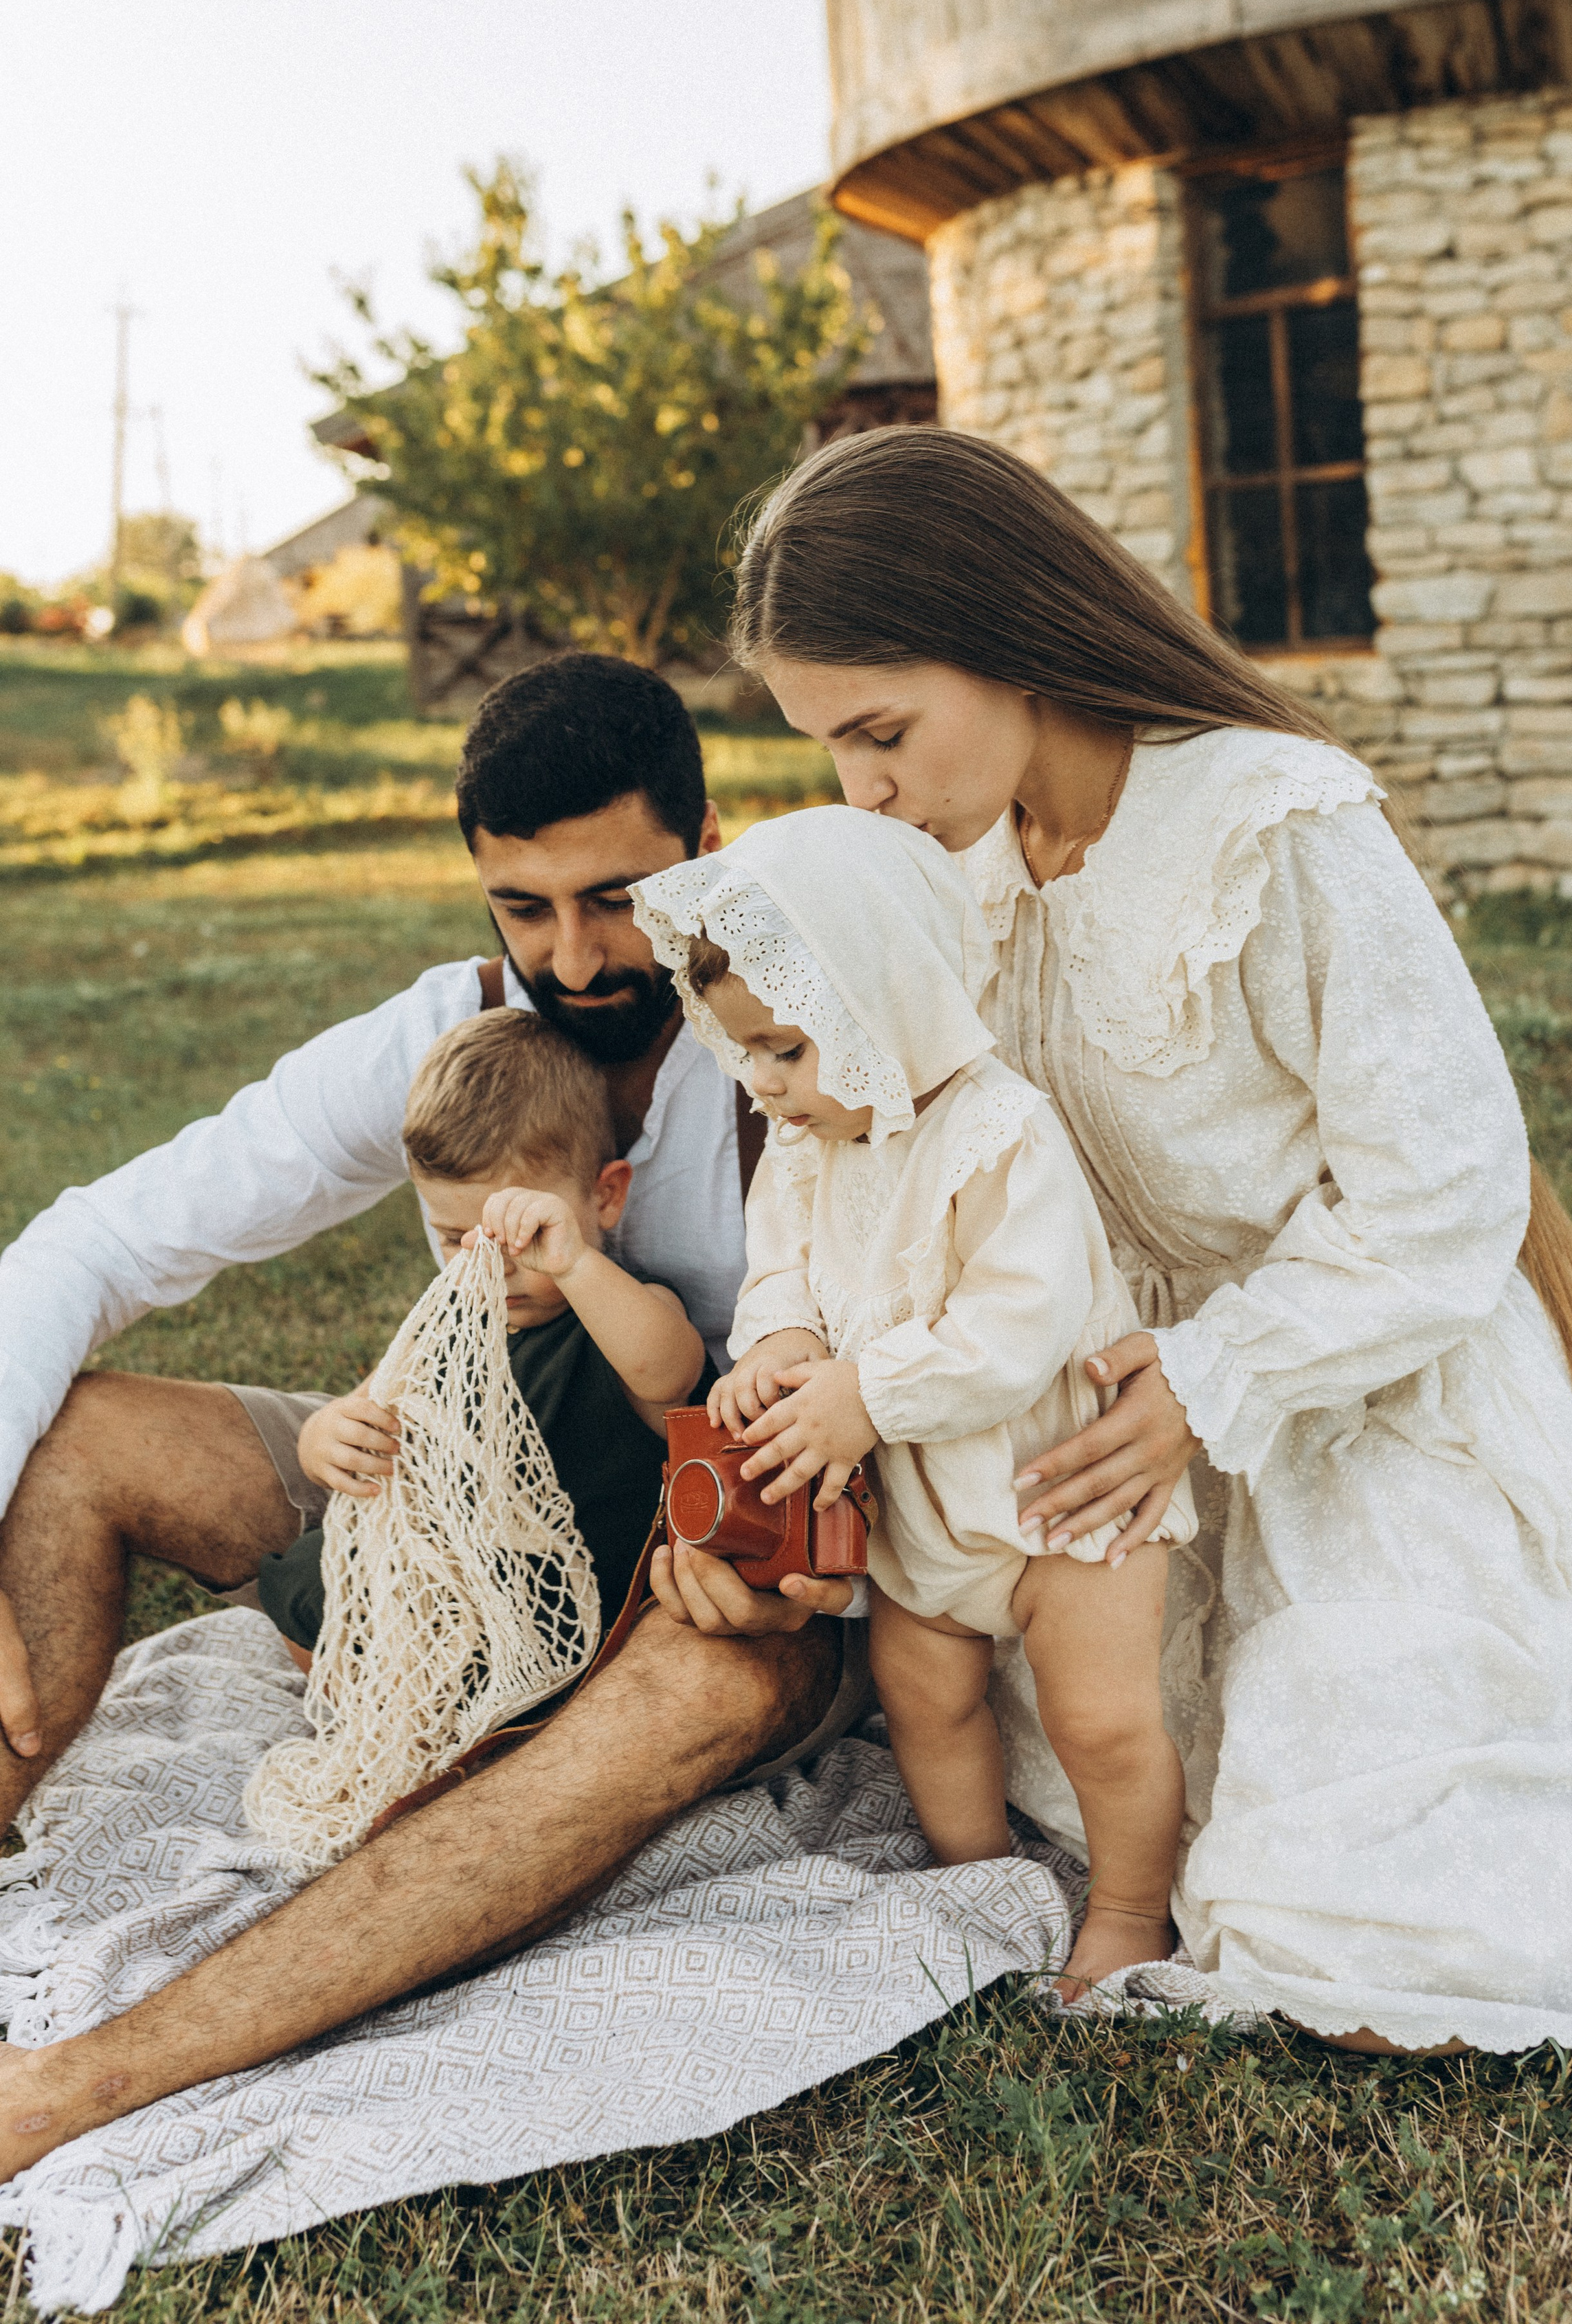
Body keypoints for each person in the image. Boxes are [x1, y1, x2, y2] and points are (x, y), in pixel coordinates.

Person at [715, 423, 1572, 2067]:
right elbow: (859, 1137)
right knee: (1089, 1767)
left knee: (1344, 1917)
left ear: (998, 635)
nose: (863, 788)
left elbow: (1443, 1193)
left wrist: (1215, 1376)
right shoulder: (948, 870)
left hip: (1364, 1380)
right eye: (832, 746)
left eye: (881, 731)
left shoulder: (1268, 821)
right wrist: (797, 1328)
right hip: (1104, 1441)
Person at [0, 654, 948, 2175]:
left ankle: (66, 2089)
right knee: (75, 1434)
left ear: (708, 837)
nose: (572, 959)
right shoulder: (453, 1032)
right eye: (522, 908)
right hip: (468, 1495)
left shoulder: (809, 1018)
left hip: (743, 1552)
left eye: (615, 895)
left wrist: (804, 1560)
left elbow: (967, 1308)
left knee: (695, 1689)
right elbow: (94, 1245)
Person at [636, 805, 1199, 2000]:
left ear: (880, 999)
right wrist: (782, 1341)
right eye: (744, 1051)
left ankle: (1132, 1911)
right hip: (923, 1520)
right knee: (925, 1697)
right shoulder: (811, 1143)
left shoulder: (1001, 1133)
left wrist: (866, 1393)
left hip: (1062, 1501)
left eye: (785, 1047)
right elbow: (781, 1262)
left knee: (1102, 1725)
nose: (763, 1081)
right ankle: (976, 1876)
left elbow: (1017, 1325)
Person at [257, 1008, 707, 1662]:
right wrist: (324, 1436)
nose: (488, 1269)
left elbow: (669, 1374)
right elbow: (371, 1403)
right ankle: (394, 1716)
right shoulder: (450, 1320)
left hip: (568, 1596)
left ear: (604, 1198)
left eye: (524, 1239)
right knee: (312, 1585)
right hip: (450, 1578)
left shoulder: (624, 1313)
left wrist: (576, 1264)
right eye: (452, 1239)